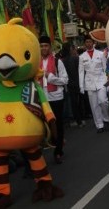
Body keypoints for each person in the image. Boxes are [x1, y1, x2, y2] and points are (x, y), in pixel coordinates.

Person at [38, 36, 68, 164]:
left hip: (56, 97)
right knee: (43, 126)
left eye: (46, 45)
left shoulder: (57, 62)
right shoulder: (35, 62)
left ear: (50, 47)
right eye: (41, 46)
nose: (44, 48)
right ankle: (52, 144)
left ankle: (58, 152)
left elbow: (65, 80)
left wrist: (49, 76)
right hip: (41, 98)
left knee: (58, 124)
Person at [78, 35, 109, 133]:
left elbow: (105, 68)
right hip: (89, 83)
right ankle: (99, 125)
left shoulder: (100, 54)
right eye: (86, 42)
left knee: (103, 101)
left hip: (101, 80)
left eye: (90, 42)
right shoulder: (81, 57)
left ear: (93, 43)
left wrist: (107, 82)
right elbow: (81, 72)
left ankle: (106, 119)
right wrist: (81, 86)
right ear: (84, 44)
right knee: (94, 105)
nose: (88, 43)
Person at [60, 43, 85, 127]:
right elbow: (81, 71)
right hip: (78, 82)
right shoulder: (76, 58)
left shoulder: (62, 61)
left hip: (69, 84)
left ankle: (78, 121)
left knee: (73, 103)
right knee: (80, 101)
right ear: (70, 49)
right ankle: (81, 118)